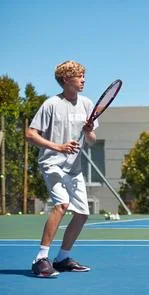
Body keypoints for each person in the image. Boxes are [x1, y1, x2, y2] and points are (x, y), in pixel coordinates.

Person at [25, 60, 97, 278]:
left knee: (83, 213)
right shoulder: (51, 105)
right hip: (52, 163)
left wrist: (88, 131)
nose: (83, 80)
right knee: (61, 204)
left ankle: (63, 258)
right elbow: (30, 134)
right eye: (79, 76)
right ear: (66, 80)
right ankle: (40, 259)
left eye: (84, 75)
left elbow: (92, 141)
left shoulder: (86, 104)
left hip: (74, 168)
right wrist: (58, 147)